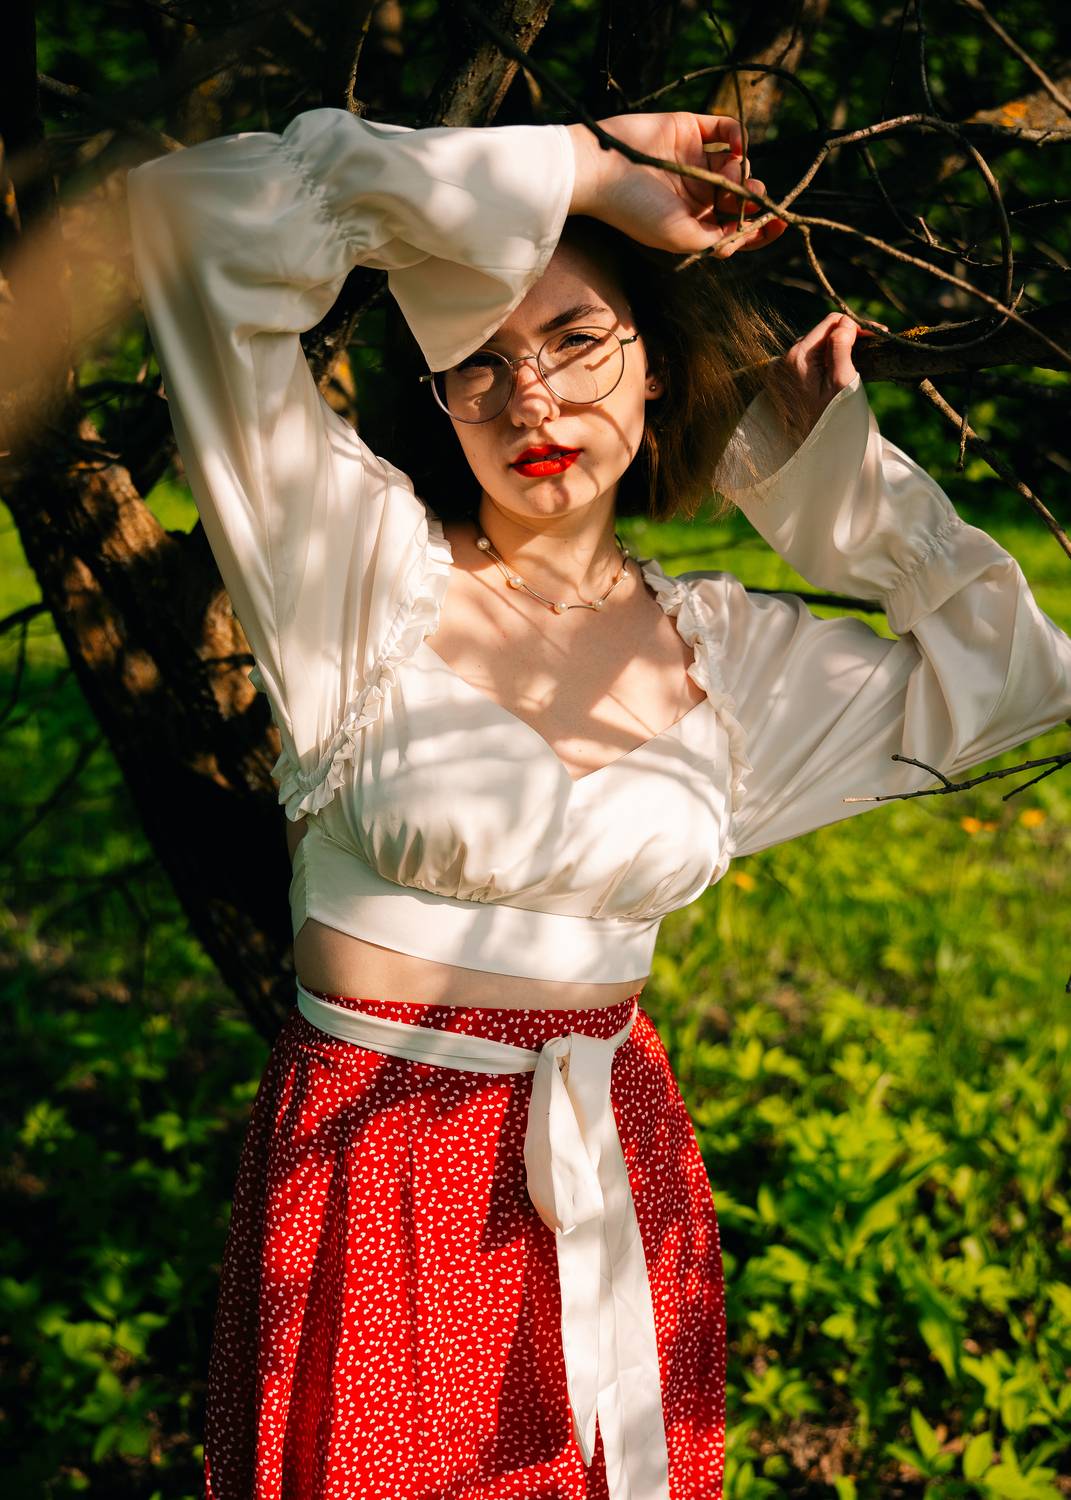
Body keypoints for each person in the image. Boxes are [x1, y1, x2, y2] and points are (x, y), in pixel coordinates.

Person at [126, 105, 1071, 1500]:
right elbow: (196, 221)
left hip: (616, 1169)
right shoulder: (354, 580)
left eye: (578, 341)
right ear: (438, 399)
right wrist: (588, 165)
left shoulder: (730, 660)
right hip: (379, 1182)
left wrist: (823, 488)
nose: (534, 402)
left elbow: (1017, 680)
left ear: (658, 363)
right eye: (479, 363)